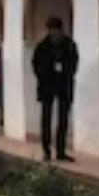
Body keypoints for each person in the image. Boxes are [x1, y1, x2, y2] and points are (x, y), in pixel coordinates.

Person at [32, 17, 78, 162]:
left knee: (63, 119)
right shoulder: (42, 46)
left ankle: (60, 151)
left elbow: (74, 62)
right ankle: (46, 151)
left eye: (56, 30)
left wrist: (66, 72)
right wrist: (44, 74)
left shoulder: (69, 45)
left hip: (64, 84)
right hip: (47, 85)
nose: (54, 33)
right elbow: (35, 64)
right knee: (46, 119)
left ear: (60, 30)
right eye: (51, 30)